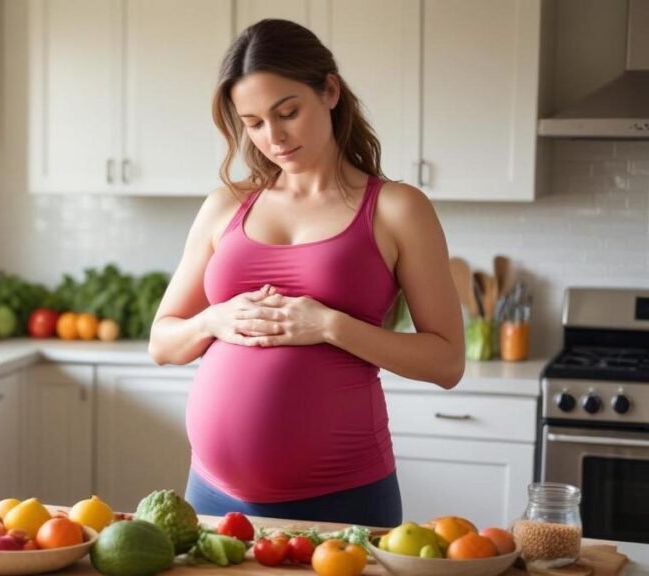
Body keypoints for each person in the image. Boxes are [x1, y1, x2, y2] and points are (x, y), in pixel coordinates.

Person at [148, 19, 465, 527]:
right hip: (210, 493)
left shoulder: (396, 209)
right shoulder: (224, 206)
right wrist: (213, 321)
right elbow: (162, 342)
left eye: (287, 112)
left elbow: (447, 361)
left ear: (330, 91)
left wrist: (330, 326)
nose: (273, 138)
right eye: (252, 122)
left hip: (343, 496)